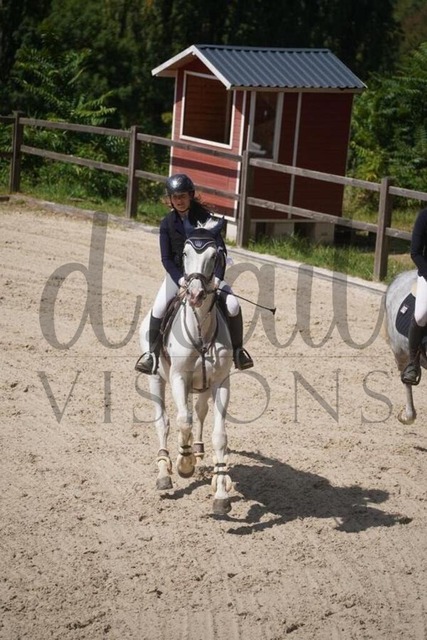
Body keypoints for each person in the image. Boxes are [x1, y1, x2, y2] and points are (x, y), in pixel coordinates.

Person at [135, 173, 254, 374]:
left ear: (190, 195)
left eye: (182, 196)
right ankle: (151, 356)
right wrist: (181, 280)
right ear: (170, 199)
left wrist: (217, 278)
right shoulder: (167, 224)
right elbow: (166, 259)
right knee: (159, 308)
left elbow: (221, 252)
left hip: (208, 277)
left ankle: (238, 351)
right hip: (179, 277)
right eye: (175, 197)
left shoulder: (206, 219)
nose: (179, 201)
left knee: (233, 305)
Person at [401, 207, 427, 385]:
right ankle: (413, 362)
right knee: (421, 315)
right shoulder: (424, 217)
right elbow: (415, 253)